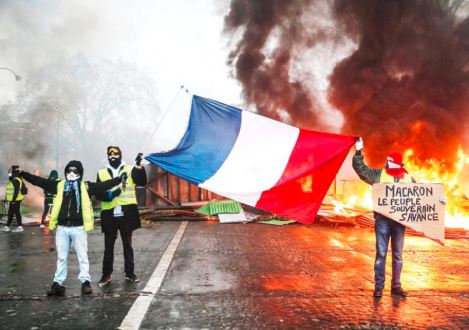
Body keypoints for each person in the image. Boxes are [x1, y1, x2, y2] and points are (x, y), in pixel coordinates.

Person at [20, 160, 124, 296]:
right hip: (62, 228)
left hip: (79, 228)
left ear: (80, 173)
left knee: (82, 256)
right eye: (69, 170)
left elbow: (103, 185)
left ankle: (85, 282)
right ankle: (58, 283)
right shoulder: (60, 185)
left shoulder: (86, 186)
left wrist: (118, 179)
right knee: (61, 257)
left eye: (75, 171)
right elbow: (39, 181)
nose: (71, 173)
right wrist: (23, 173)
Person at [352, 138, 416, 298]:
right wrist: (358, 151)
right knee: (381, 254)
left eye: (390, 164)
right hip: (382, 221)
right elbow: (361, 170)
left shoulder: (409, 179)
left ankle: (396, 287)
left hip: (399, 223)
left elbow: (421, 197)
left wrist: (439, 201)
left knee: (397, 255)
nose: (388, 166)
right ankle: (379, 287)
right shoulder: (379, 174)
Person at [96, 146, 147, 287]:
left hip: (127, 212)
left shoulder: (130, 169)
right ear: (107, 156)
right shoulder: (101, 172)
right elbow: (98, 193)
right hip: (109, 213)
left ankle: (130, 273)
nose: (113, 155)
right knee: (108, 247)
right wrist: (110, 195)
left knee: (127, 245)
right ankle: (106, 275)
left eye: (115, 153)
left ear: (120, 154)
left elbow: (142, 182)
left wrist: (138, 167)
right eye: (110, 153)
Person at [3, 165, 26, 233]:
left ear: (14, 171)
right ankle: (7, 226)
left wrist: (13, 200)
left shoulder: (16, 180)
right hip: (15, 199)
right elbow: (10, 178)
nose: (10, 171)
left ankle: (19, 227)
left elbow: (16, 190)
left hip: (16, 199)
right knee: (11, 213)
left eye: (11, 170)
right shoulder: (16, 178)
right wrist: (9, 173)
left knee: (16, 212)